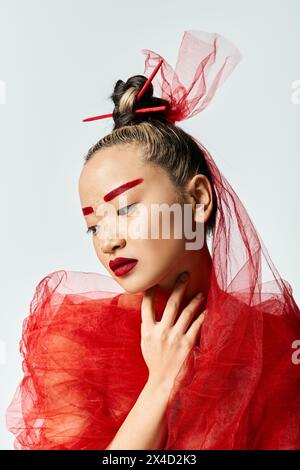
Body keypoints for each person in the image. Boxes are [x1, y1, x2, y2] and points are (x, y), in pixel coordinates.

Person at [6, 30, 300, 450]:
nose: (107, 241)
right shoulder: (72, 343)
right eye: (93, 224)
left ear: (197, 199)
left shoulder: (278, 341)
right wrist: (160, 385)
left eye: (124, 209)